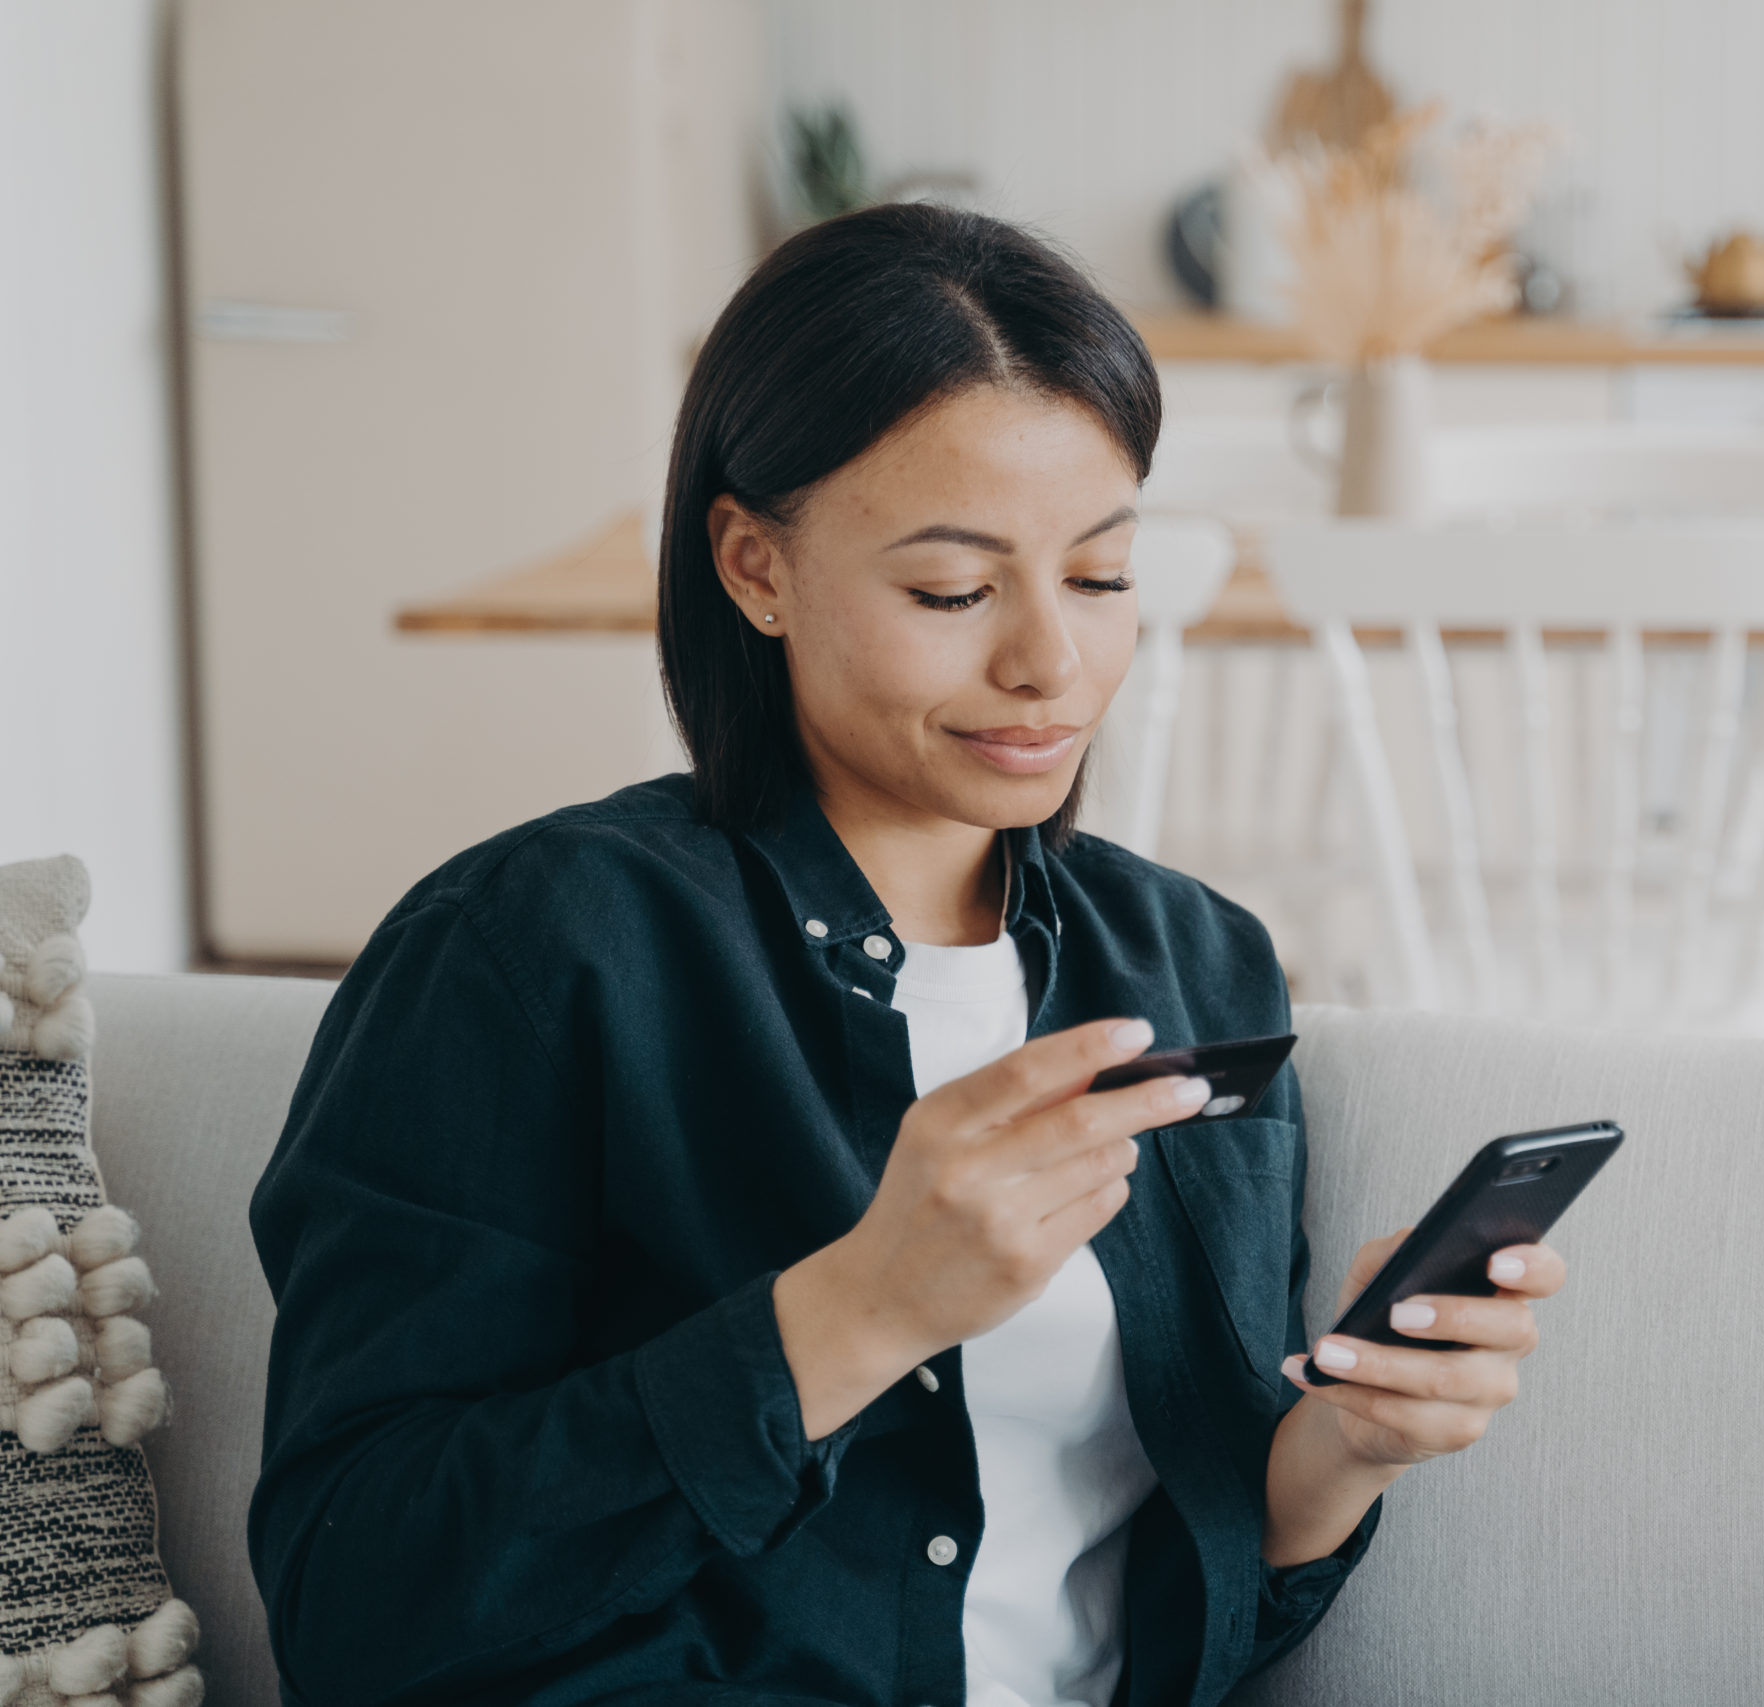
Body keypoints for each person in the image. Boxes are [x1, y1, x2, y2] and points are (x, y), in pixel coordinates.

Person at [247, 203, 1569, 1707]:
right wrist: (862, 1308)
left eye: (1101, 575)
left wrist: (1346, 1445)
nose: (1048, 665)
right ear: (755, 567)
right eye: (951, 591)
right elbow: (353, 1600)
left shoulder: (1195, 963)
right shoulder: (533, 953)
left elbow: (1188, 1592)